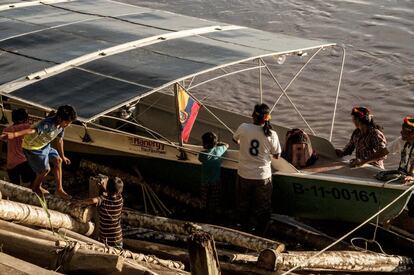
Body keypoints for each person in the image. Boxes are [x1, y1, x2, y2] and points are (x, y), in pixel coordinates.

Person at [1, 105, 77, 198]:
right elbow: (32, 130)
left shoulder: (61, 126)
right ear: (60, 118)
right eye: (66, 123)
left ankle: (59, 189)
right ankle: (36, 187)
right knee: (45, 170)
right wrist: (14, 134)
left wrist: (63, 155)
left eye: (69, 123)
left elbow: (60, 140)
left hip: (44, 146)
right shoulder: (47, 124)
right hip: (33, 148)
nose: (67, 125)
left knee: (58, 161)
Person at [232, 103, 281, 234]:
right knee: (263, 207)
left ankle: (245, 230)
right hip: (262, 176)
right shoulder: (272, 134)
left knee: (244, 204)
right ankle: (261, 233)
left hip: (244, 174)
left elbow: (235, 139)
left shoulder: (243, 127)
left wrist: (243, 143)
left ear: (253, 115)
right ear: (267, 118)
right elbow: (276, 155)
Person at [78, 177, 124, 248]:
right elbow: (111, 194)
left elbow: (93, 200)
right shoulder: (120, 200)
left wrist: (81, 201)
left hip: (105, 239)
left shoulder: (103, 200)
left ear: (107, 188)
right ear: (119, 192)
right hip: (117, 238)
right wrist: (104, 189)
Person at [198, 131, 228, 222]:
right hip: (216, 181)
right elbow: (227, 145)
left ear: (205, 144)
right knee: (214, 200)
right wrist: (217, 144)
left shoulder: (202, 154)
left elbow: (200, 159)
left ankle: (203, 215)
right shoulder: (219, 150)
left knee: (204, 199)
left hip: (205, 182)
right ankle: (212, 216)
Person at [1, 108, 36, 185]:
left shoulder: (7, 130)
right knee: (35, 177)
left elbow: (4, 140)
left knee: (15, 186)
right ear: (25, 119)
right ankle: (34, 190)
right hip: (23, 162)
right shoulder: (27, 127)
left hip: (10, 164)